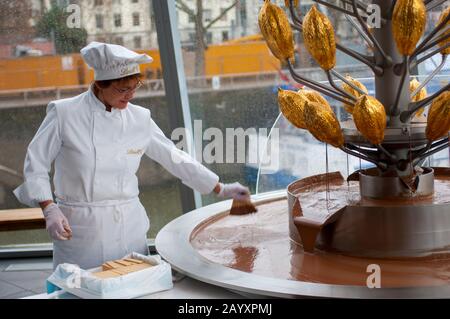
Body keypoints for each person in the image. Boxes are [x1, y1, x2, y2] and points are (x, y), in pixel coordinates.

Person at [13, 42, 251, 269]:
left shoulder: (140, 118)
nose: (130, 95)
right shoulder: (64, 113)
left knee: (132, 285)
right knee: (80, 289)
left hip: (129, 226)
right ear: (100, 84)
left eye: (135, 86)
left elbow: (172, 156)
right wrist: (49, 207)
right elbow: (35, 163)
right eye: (122, 89)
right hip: (81, 229)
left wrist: (218, 187)